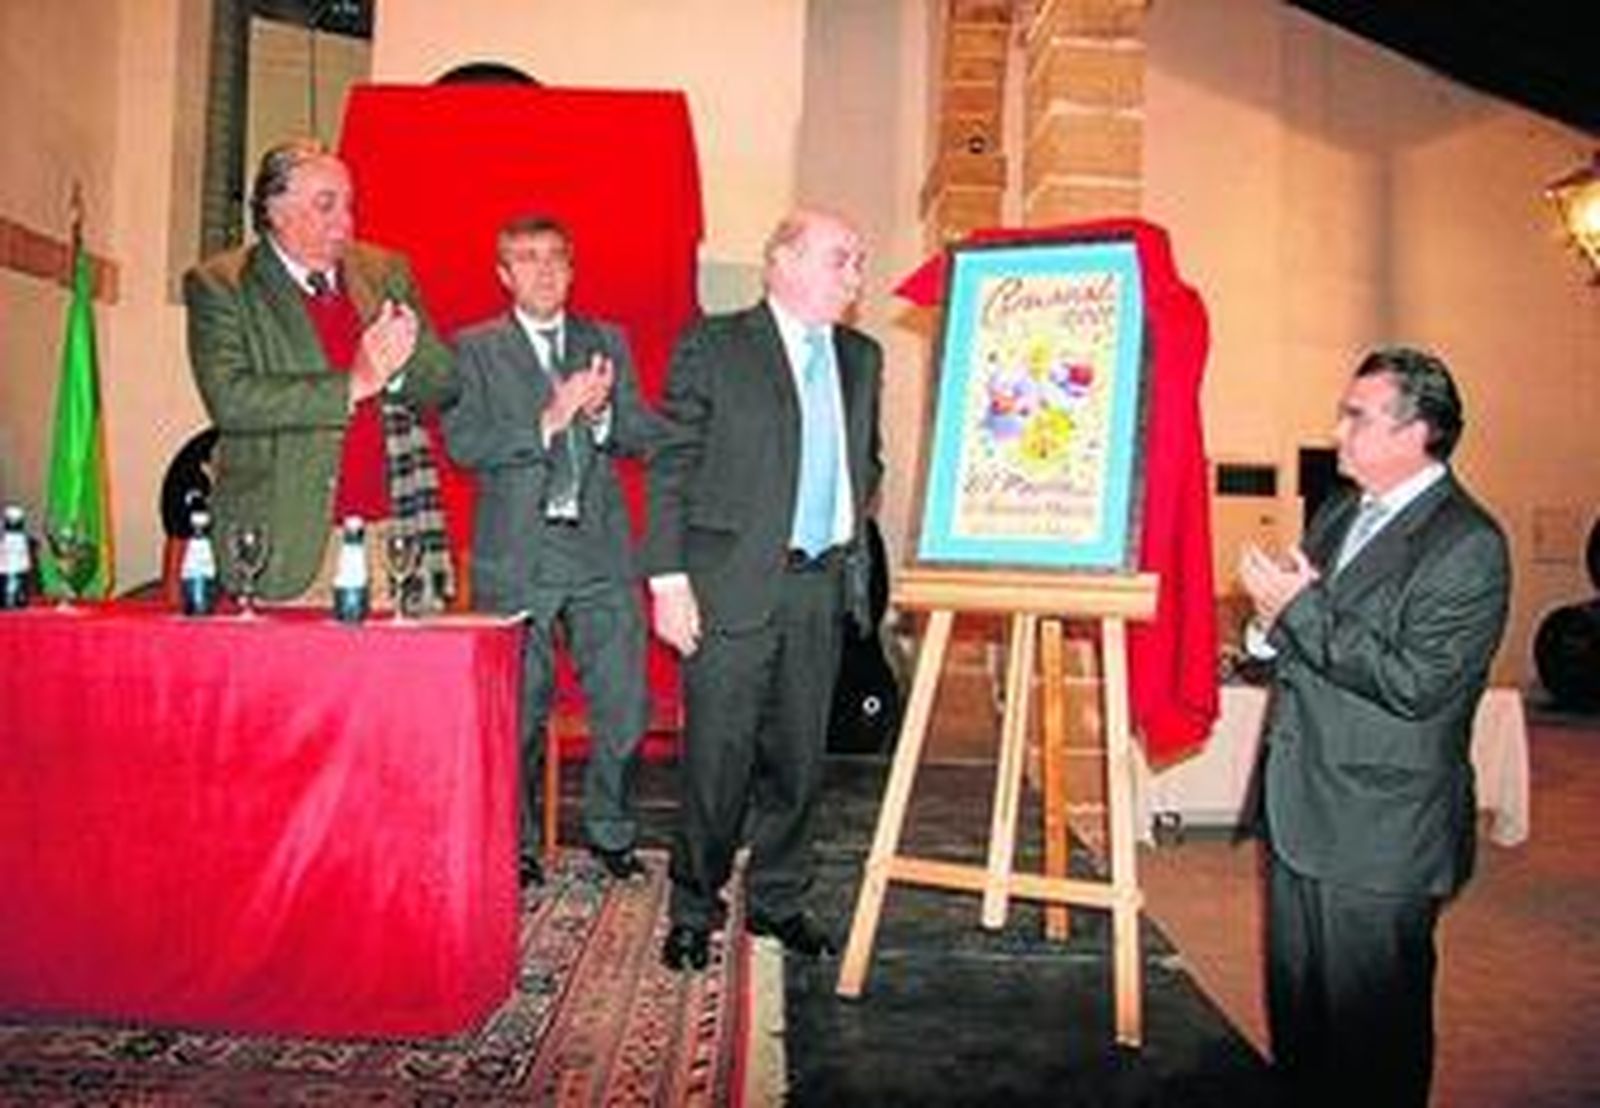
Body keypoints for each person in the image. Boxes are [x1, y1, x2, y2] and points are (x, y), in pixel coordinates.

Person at [1238, 346, 1511, 1107]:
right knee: (1301, 1029)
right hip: (1302, 809)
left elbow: (1417, 682)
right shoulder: (1339, 511)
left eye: (1357, 416)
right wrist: (1268, 627)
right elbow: (1305, 630)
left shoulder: (1468, 544)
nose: (1337, 430)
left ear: (1417, 431)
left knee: (1371, 1049)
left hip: (1381, 832)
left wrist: (1297, 609)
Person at [644, 209, 883, 971]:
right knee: (718, 757)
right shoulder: (714, 344)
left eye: (859, 262)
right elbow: (671, 464)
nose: (856, 277)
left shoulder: (863, 357)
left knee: (800, 759)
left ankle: (779, 898)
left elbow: (865, 461)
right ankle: (693, 904)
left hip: (819, 588)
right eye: (842, 260)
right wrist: (669, 578)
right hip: (728, 585)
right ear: (783, 260)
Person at [443, 215, 665, 888]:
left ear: (572, 269)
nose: (543, 271)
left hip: (600, 554)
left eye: (555, 259)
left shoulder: (607, 341)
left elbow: (644, 434)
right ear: (503, 274)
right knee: (519, 715)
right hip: (518, 558)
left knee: (625, 706)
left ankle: (611, 835)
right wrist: (550, 418)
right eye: (526, 259)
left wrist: (600, 416)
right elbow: (464, 443)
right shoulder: (473, 348)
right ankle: (517, 847)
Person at [184, 138, 456, 606]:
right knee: (288, 681)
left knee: (390, 680)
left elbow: (444, 383)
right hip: (285, 544)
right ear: (275, 209)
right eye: (326, 205)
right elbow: (232, 401)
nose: (345, 221)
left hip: (389, 532)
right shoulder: (221, 284)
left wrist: (396, 372)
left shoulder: (385, 271)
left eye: (349, 205)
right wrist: (355, 384)